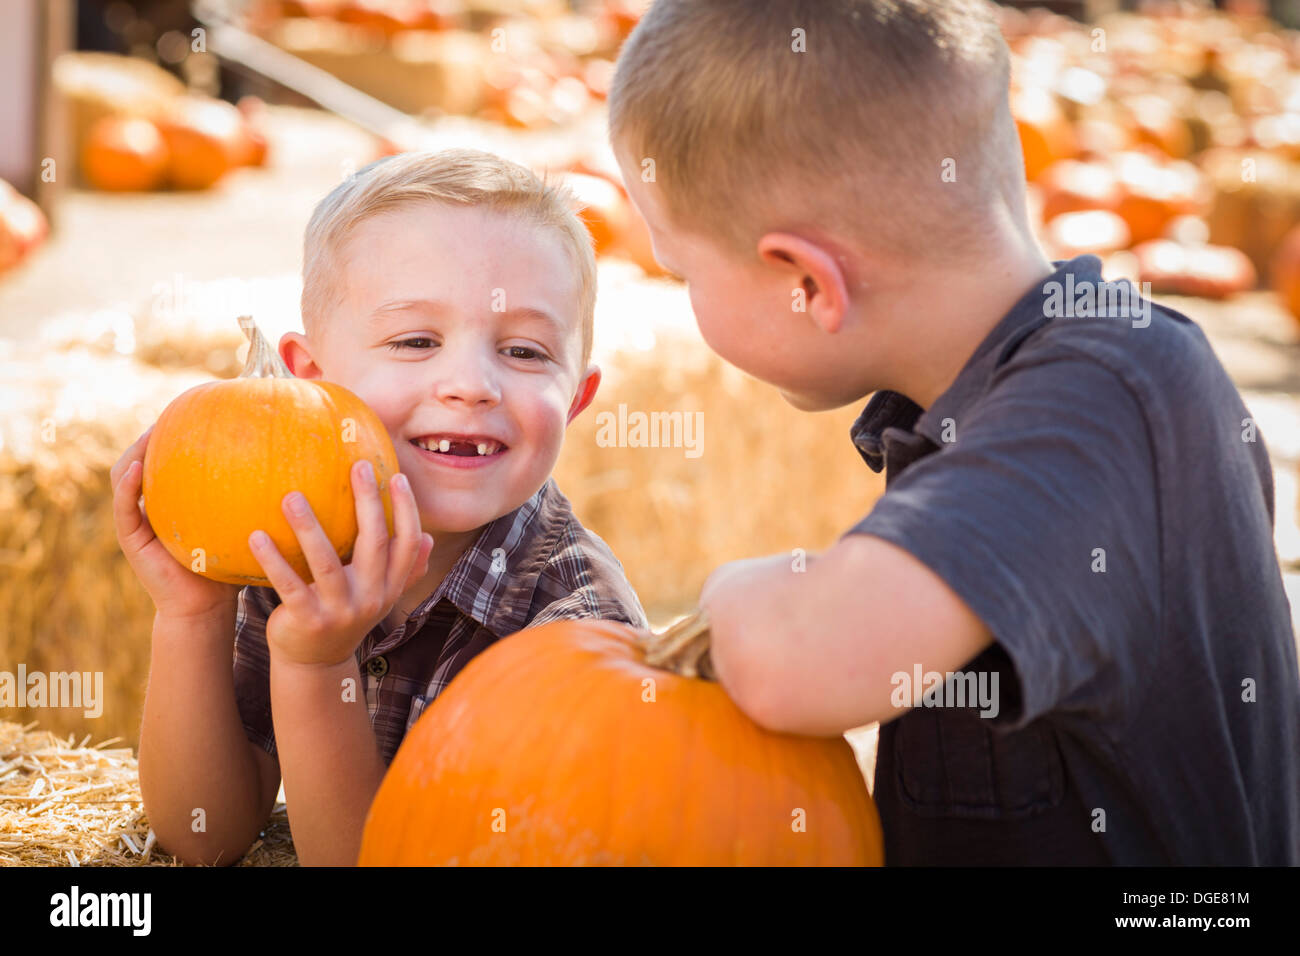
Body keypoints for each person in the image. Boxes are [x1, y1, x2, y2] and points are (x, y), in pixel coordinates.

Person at [607, 0, 1299, 864]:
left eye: (682, 274)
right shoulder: (1010, 401)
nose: (680, 294)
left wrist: (734, 594)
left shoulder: (1104, 401)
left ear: (808, 285)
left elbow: (802, 662)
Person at [114, 148, 646, 865]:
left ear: (577, 399)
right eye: (416, 341)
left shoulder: (575, 630)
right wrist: (192, 614)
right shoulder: (292, 551)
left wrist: (314, 667)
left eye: (523, 352)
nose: (470, 384)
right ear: (312, 381)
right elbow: (202, 836)